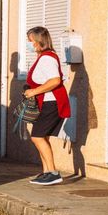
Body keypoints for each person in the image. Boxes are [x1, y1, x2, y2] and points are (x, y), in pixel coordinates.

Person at [23, 26, 71, 186]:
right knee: (42, 137)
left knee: (37, 137)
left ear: (38, 41)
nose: (28, 43)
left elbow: (55, 80)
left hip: (51, 102)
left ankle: (53, 173)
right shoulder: (43, 57)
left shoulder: (47, 58)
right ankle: (46, 172)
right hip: (46, 102)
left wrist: (34, 91)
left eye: (30, 40)